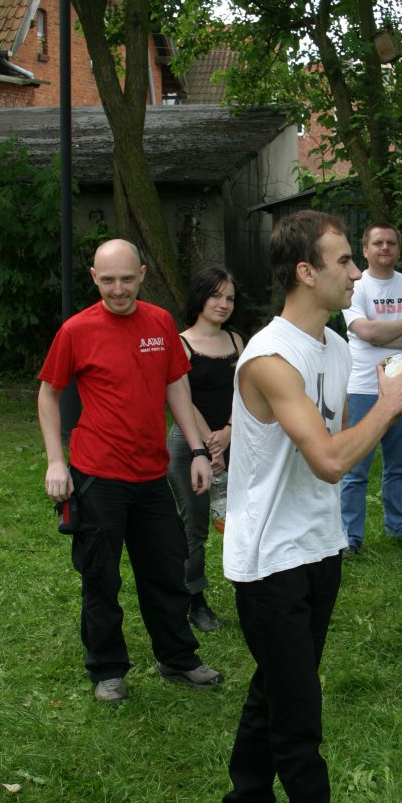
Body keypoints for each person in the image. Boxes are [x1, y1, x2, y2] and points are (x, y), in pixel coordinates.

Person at [218, 210, 402, 803]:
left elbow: (336, 442)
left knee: (278, 685)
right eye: (344, 260)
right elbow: (329, 460)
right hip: (269, 559)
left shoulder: (337, 347)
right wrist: (391, 404)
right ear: (305, 271)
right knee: (298, 709)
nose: (357, 271)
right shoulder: (270, 357)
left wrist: (383, 407)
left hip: (319, 546)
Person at [38, 239, 223, 703]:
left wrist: (198, 450)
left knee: (166, 572)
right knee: (101, 578)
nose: (118, 289)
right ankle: (107, 670)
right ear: (93, 277)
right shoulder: (76, 330)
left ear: (142, 274)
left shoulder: (159, 323)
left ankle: (177, 658)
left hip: (151, 476)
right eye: (107, 280)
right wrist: (56, 460)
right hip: (97, 476)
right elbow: (48, 393)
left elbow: (176, 386)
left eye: (126, 279)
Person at [340, 222, 402, 554]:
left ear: (398, 249)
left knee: (399, 466)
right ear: (365, 249)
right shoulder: (355, 286)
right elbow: (365, 332)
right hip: (363, 388)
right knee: (355, 467)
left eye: (391, 243)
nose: (385, 248)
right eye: (378, 243)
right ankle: (349, 538)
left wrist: (381, 334)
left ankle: (400, 530)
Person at [167, 267, 244, 632]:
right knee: (194, 527)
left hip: (234, 442)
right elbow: (180, 397)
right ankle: (194, 602)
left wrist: (228, 431)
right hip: (189, 447)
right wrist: (208, 445)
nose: (223, 304)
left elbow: (246, 392)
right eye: (216, 295)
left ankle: (250, 591)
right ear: (200, 296)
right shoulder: (179, 343)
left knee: (240, 521)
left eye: (229, 298)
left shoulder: (237, 341)